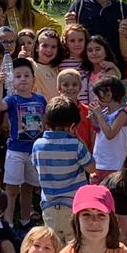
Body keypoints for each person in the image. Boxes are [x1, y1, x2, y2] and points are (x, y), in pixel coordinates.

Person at [31, 96, 94, 245]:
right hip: (73, 206)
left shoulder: (38, 145)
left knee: (53, 246)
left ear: (47, 123)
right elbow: (92, 168)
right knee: (74, 246)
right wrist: (79, 140)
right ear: (72, 126)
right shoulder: (75, 145)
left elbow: (36, 166)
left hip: (49, 207)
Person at [0, 57, 47, 227]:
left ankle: (25, 220)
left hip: (34, 150)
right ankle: (8, 221)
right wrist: (0, 85)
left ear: (33, 79)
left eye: (26, 75)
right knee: (12, 188)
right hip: (16, 150)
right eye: (17, 76)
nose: (22, 79)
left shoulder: (40, 99)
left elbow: (45, 121)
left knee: (29, 187)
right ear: (12, 80)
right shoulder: (12, 99)